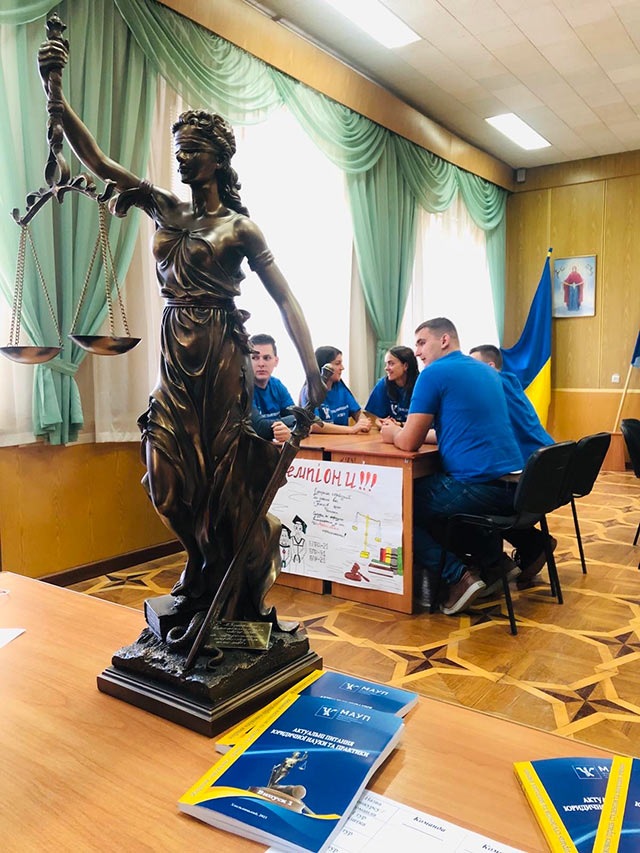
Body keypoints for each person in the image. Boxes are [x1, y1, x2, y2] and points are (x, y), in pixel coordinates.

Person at [37, 39, 325, 624]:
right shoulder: (164, 207)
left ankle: (223, 580)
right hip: (175, 351)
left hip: (220, 354)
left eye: (192, 151)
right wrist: (56, 98)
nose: (182, 160)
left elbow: (285, 297)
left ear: (218, 159)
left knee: (221, 479)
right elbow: (99, 162)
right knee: (165, 476)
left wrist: (313, 370)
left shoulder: (240, 228)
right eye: (178, 152)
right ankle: (199, 562)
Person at [381, 318, 546, 616]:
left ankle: (457, 577)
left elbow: (408, 443)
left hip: (481, 489)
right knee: (432, 498)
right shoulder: (488, 372)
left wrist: (392, 432)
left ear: (444, 340)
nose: (417, 352)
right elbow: (458, 428)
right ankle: (494, 564)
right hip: (517, 488)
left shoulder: (433, 374)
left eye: (421, 343)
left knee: (398, 504)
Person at [469, 344, 557, 588]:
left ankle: (490, 565)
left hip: (527, 479)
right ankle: (533, 545)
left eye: (473, 366)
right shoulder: (510, 382)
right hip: (546, 475)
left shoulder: (492, 387)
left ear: (490, 367)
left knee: (465, 493)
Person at [300, 346, 371, 435]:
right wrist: (351, 429)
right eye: (337, 363)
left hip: (343, 440)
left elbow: (357, 412)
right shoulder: (310, 392)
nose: (342, 368)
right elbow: (313, 424)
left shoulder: (340, 388)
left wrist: (363, 422)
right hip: (321, 441)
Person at [250, 333, 296, 443]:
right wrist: (287, 424)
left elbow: (298, 418)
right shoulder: (241, 388)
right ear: (246, 360)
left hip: (273, 448)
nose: (261, 364)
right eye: (255, 358)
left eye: (267, 358)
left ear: (276, 361)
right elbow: (259, 428)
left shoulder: (277, 385)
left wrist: (287, 429)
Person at [364, 346, 419, 428]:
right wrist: (380, 422)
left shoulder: (421, 385)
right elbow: (372, 416)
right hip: (391, 432)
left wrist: (400, 425)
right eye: (386, 364)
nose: (386, 368)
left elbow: (426, 422)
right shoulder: (383, 384)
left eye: (391, 364)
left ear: (405, 366)